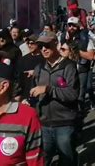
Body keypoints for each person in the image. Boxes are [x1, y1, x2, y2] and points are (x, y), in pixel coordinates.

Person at [31, 33, 79, 166]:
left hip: (64, 122)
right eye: (40, 46)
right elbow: (34, 91)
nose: (43, 49)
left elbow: (72, 94)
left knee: (67, 159)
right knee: (43, 160)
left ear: (56, 45)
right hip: (44, 123)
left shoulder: (68, 66)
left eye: (47, 46)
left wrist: (48, 90)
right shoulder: (39, 68)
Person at [15, 35, 44, 102]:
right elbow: (19, 78)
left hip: (40, 93)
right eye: (28, 43)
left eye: (32, 43)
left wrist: (35, 72)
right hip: (25, 94)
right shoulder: (23, 59)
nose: (30, 45)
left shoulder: (44, 59)